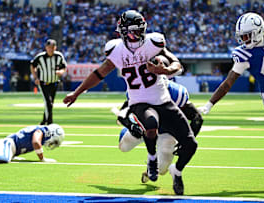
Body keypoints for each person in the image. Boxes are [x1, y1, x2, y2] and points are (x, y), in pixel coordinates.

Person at [63, 10, 198, 195]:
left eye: (137, 31)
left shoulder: (154, 43)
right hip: (138, 102)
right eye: (130, 32)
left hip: (162, 100)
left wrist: (165, 70)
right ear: (122, 32)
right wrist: (77, 92)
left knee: (191, 144)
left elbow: (177, 64)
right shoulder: (117, 50)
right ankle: (151, 158)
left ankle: (177, 170)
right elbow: (99, 74)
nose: (134, 36)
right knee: (150, 125)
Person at [198, 12, 264, 192]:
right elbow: (228, 83)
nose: (243, 40)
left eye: (246, 36)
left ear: (259, 31)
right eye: (242, 36)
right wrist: (209, 103)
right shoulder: (244, 54)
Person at [114, 80, 203, 183]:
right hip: (144, 128)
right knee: (124, 147)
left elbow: (197, 118)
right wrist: (130, 125)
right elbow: (121, 117)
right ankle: (126, 132)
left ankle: (149, 170)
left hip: (167, 131)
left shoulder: (176, 94)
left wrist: (185, 142)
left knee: (161, 169)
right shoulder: (140, 91)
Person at [30, 39, 67, 125]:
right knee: (48, 103)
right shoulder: (40, 57)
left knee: (50, 104)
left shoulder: (59, 56)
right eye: (49, 47)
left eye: (52, 47)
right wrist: (36, 77)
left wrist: (61, 72)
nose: (51, 49)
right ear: (46, 47)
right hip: (44, 83)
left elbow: (64, 66)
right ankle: (50, 123)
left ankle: (43, 122)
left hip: (54, 82)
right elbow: (32, 65)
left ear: (55, 47)